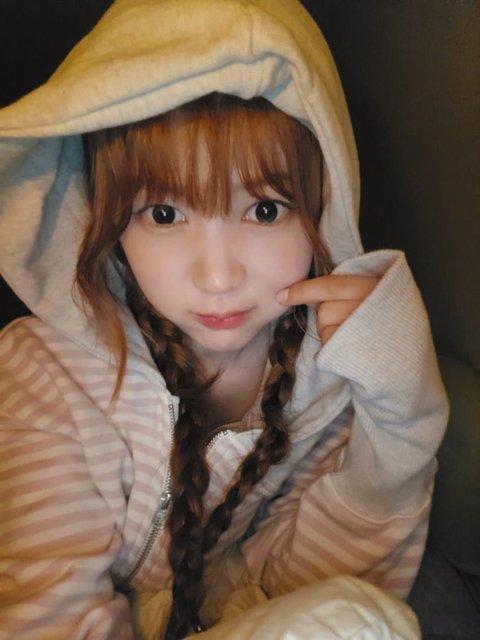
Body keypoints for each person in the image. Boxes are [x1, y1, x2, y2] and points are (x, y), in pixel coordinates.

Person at [0, 0, 448, 638]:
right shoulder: (44, 375)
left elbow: (311, 587)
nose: (217, 277)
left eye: (264, 210)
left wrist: (404, 413)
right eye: (164, 214)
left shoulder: (329, 375)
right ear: (109, 221)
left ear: (322, 208)